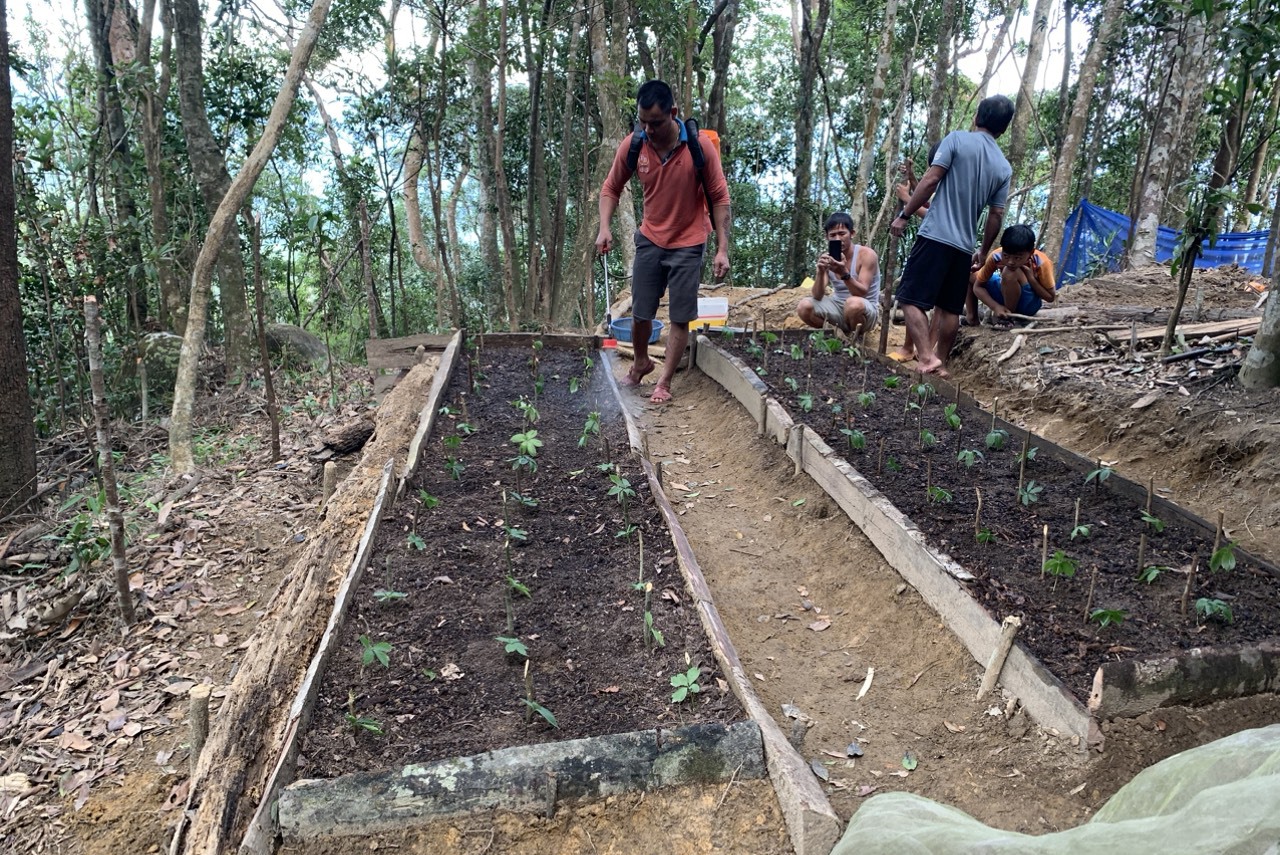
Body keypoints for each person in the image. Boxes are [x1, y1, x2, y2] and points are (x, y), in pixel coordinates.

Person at [596, 80, 731, 404]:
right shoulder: (635, 145)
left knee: (680, 316)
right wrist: (604, 227)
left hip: (689, 241)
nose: (649, 130)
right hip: (651, 238)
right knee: (641, 311)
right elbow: (610, 188)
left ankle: (664, 382)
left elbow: (719, 197)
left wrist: (722, 248)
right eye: (643, 122)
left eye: (655, 123)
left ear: (672, 113)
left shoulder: (699, 146)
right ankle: (641, 363)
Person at [888, 95, 1015, 376]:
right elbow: (996, 215)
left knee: (909, 298)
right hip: (963, 246)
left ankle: (925, 357)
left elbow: (931, 179)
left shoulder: (957, 139)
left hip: (935, 236)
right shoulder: (1003, 167)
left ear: (977, 116)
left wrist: (905, 214)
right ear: (1004, 129)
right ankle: (940, 362)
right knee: (948, 309)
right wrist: (983, 249)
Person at [796, 212, 880, 336]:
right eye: (832, 235)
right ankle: (837, 334)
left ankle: (856, 337)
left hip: (865, 310)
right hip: (838, 307)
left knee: (853, 304)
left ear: (852, 234)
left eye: (842, 234)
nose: (837, 239)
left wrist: (843, 273)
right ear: (827, 237)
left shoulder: (866, 255)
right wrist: (820, 272)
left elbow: (861, 293)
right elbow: (817, 296)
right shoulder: (828, 258)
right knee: (804, 307)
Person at [973, 224, 1057, 320]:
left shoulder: (1041, 262)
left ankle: (1007, 318)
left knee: (1009, 272)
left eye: (1017, 258)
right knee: (971, 274)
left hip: (1028, 304)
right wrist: (995, 306)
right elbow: (977, 286)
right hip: (1005, 296)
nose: (1011, 262)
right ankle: (972, 317)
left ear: (1031, 253)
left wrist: (1031, 279)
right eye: (1006, 256)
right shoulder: (996, 256)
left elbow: (1050, 297)